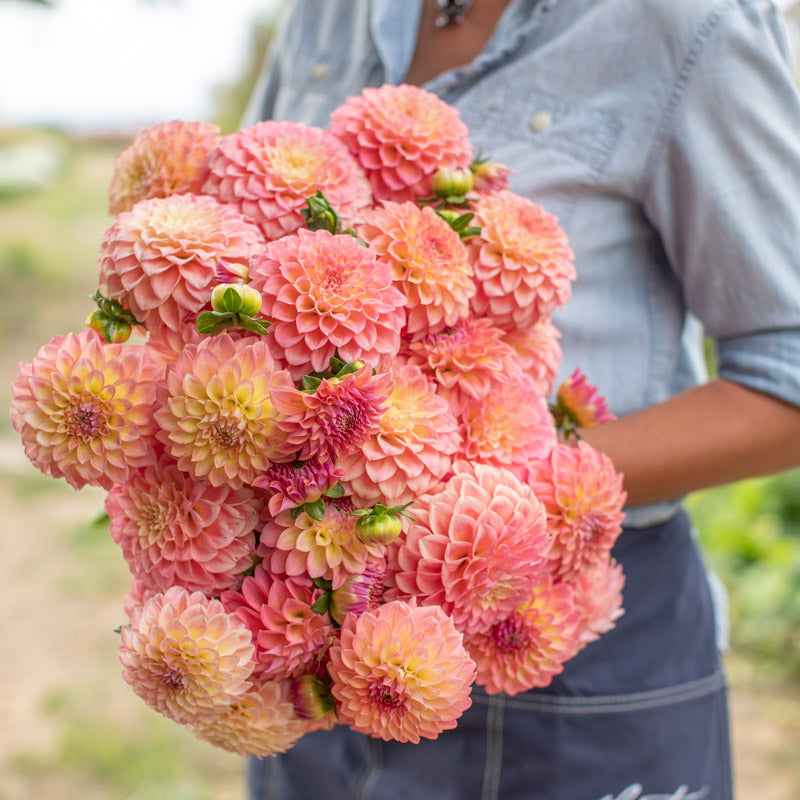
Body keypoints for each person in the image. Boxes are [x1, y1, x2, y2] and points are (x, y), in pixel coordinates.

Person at [243, 1, 800, 797]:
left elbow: (788, 376)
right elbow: (241, 248)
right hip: (316, 651)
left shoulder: (685, 22)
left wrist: (485, 498)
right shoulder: (327, 14)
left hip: (560, 656)